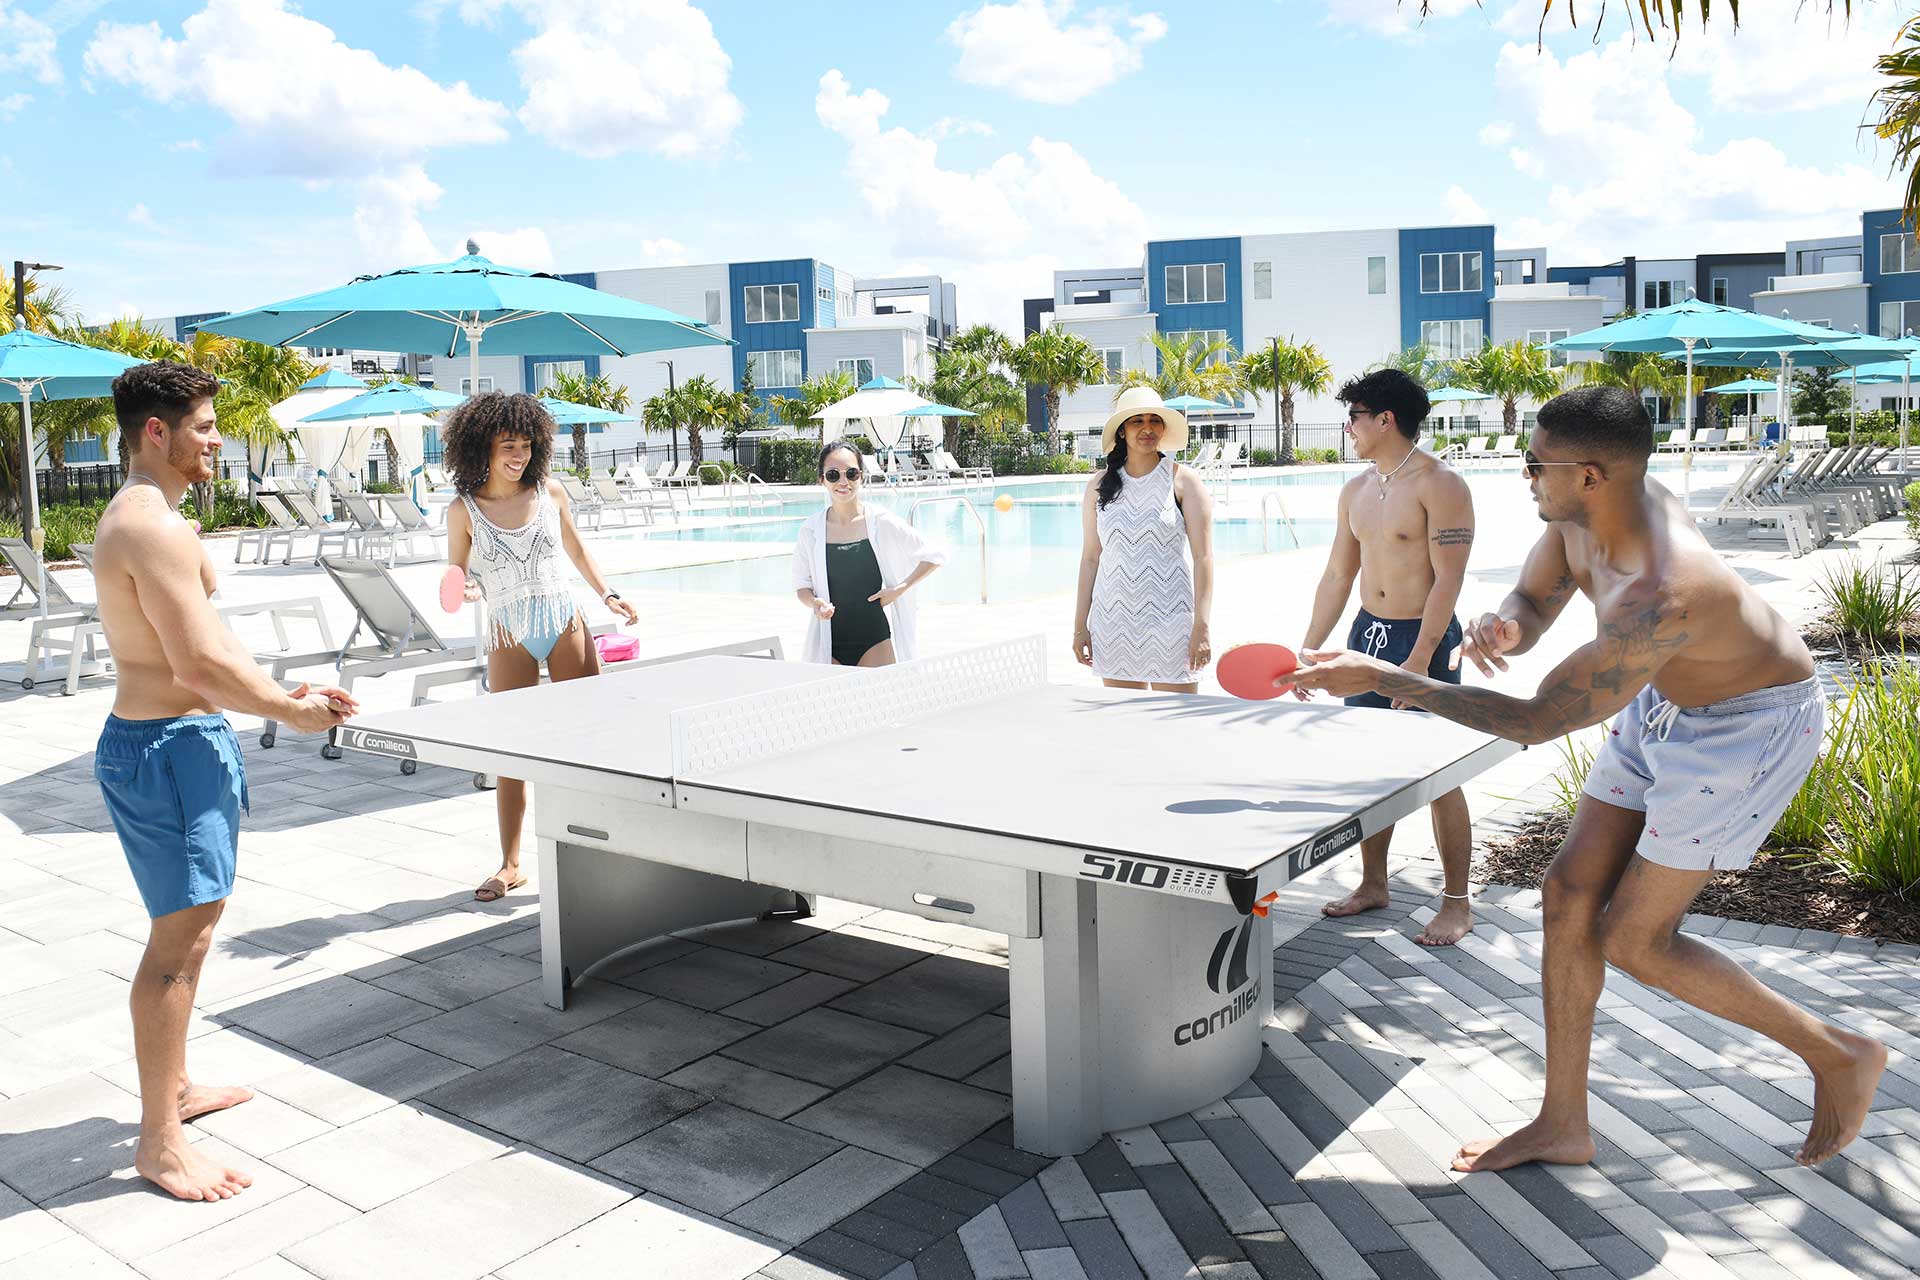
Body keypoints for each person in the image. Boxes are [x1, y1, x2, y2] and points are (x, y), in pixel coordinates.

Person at [1283, 385, 1886, 1171]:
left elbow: (1535, 722)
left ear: (1593, 475)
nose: (1524, 476)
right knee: (1567, 895)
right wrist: (1507, 623)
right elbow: (1536, 597)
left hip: (1748, 726)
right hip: (1662, 702)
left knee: (1637, 941)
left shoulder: (1666, 593)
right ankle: (1563, 1124)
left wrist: (1390, 678)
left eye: (1536, 465)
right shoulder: (1578, 517)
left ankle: (1838, 1053)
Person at [91, 361, 359, 1201]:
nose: (217, 439)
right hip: (165, 749)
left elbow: (211, 637)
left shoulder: (160, 517)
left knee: (193, 933)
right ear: (157, 432)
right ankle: (159, 1143)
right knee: (179, 946)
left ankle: (172, 1091)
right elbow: (197, 661)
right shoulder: (151, 525)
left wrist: (285, 689)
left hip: (184, 742)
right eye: (204, 426)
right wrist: (290, 711)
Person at [1299, 370, 1477, 946]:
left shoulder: (1441, 485)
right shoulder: (1354, 490)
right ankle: (1374, 883)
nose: (1348, 426)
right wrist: (1308, 646)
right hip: (1366, 635)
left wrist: (1421, 660)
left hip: (1424, 640)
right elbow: (1335, 574)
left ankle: (1456, 902)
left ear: (1385, 420)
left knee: (1439, 772)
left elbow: (1449, 580)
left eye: (1354, 415)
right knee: (1369, 767)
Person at [443, 393, 639, 901]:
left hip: (562, 620)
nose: (519, 455)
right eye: (508, 445)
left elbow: (574, 546)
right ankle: (510, 865)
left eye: (527, 445)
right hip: (508, 631)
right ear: (481, 447)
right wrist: (464, 587)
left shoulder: (550, 491)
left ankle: (604, 846)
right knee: (512, 749)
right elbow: (457, 572)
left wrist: (608, 594)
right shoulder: (462, 511)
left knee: (585, 740)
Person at [1073, 387, 1215, 692]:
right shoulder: (1098, 484)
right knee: (1125, 732)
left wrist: (1201, 627)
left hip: (1172, 624)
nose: (1147, 428)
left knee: (1177, 730)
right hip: (1113, 623)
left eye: (1155, 420)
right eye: (1137, 421)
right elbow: (1090, 558)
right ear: (1123, 431)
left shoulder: (1182, 480)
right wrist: (1079, 627)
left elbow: (1204, 558)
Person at [792, 439, 945, 665]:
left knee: (882, 700)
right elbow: (801, 586)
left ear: (861, 476)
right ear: (822, 480)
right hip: (829, 640)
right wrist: (814, 604)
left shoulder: (881, 522)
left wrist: (899, 589)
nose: (843, 481)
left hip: (874, 639)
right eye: (834, 475)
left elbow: (934, 555)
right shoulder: (811, 531)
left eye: (851, 473)